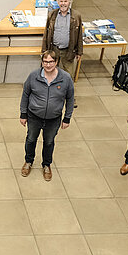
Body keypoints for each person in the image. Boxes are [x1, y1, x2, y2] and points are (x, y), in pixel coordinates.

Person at [20, 49, 74, 181]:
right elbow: (25, 94)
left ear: (56, 62)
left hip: (53, 118)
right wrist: (23, 113)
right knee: (31, 139)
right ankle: (28, 162)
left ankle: (46, 165)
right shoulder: (33, 76)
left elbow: (70, 98)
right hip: (34, 116)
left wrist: (67, 117)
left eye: (51, 62)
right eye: (45, 62)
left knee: (49, 142)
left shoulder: (65, 78)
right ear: (42, 62)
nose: (48, 65)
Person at [41, 0, 83, 80]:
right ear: (58, 2)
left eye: (65, 1)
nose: (63, 3)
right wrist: (44, 50)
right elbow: (46, 33)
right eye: (61, 1)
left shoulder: (76, 16)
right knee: (51, 73)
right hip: (54, 49)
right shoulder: (52, 15)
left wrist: (79, 52)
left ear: (69, 2)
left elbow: (79, 35)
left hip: (68, 50)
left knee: (68, 75)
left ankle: (66, 92)